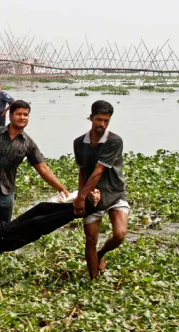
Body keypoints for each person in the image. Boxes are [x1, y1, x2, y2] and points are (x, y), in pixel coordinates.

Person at [0, 100, 70, 274]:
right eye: (19, 114)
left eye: (25, 115)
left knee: (3, 230)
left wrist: (61, 188)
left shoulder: (28, 144)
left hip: (7, 192)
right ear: (10, 115)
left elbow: (42, 168)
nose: (22, 117)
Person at [73, 100, 128, 280]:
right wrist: (82, 196)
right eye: (99, 120)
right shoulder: (79, 143)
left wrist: (80, 198)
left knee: (119, 235)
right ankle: (93, 279)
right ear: (91, 118)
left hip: (115, 193)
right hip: (92, 196)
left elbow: (98, 171)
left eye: (106, 120)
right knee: (90, 240)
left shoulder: (114, 141)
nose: (102, 124)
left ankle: (101, 254)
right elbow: (83, 171)